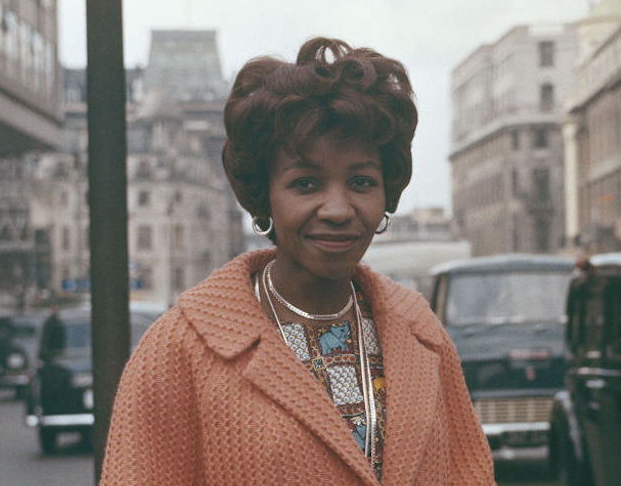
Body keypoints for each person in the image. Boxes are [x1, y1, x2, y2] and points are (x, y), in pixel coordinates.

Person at [102, 37, 495, 485]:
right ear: (262, 196)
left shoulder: (421, 332)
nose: (337, 209)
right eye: (306, 184)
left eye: (362, 181)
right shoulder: (179, 350)